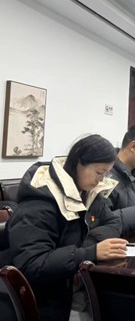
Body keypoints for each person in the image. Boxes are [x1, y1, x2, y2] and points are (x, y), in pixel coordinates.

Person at [4, 134, 128, 321]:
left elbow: (113, 221)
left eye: (106, 174)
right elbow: (32, 264)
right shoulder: (38, 205)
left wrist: (89, 248)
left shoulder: (87, 192)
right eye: (99, 172)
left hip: (71, 288)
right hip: (43, 300)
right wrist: (89, 253)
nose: (101, 180)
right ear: (79, 163)